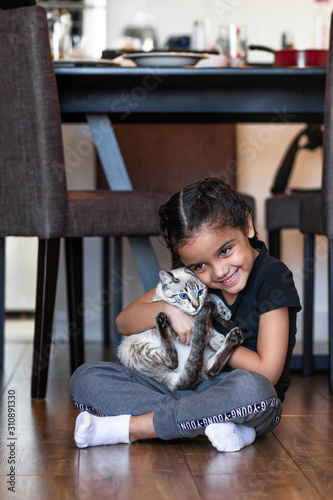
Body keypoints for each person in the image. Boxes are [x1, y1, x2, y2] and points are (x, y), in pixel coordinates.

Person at [70, 178, 301, 453]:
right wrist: (167, 309)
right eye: (200, 265)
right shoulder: (191, 280)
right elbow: (124, 321)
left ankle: (134, 428)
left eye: (226, 250)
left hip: (236, 395)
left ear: (248, 225)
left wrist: (208, 334)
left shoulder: (272, 276)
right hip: (181, 389)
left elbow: (267, 372)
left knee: (255, 390)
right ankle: (212, 424)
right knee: (86, 377)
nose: (219, 272)